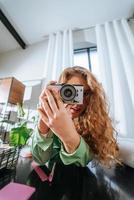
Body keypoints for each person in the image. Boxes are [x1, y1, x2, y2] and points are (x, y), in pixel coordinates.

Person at [31, 66, 119, 169]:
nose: (78, 101)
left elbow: (83, 161)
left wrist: (67, 134)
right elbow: (40, 159)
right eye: (70, 92)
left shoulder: (93, 123)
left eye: (85, 93)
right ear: (58, 92)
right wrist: (44, 123)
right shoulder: (49, 117)